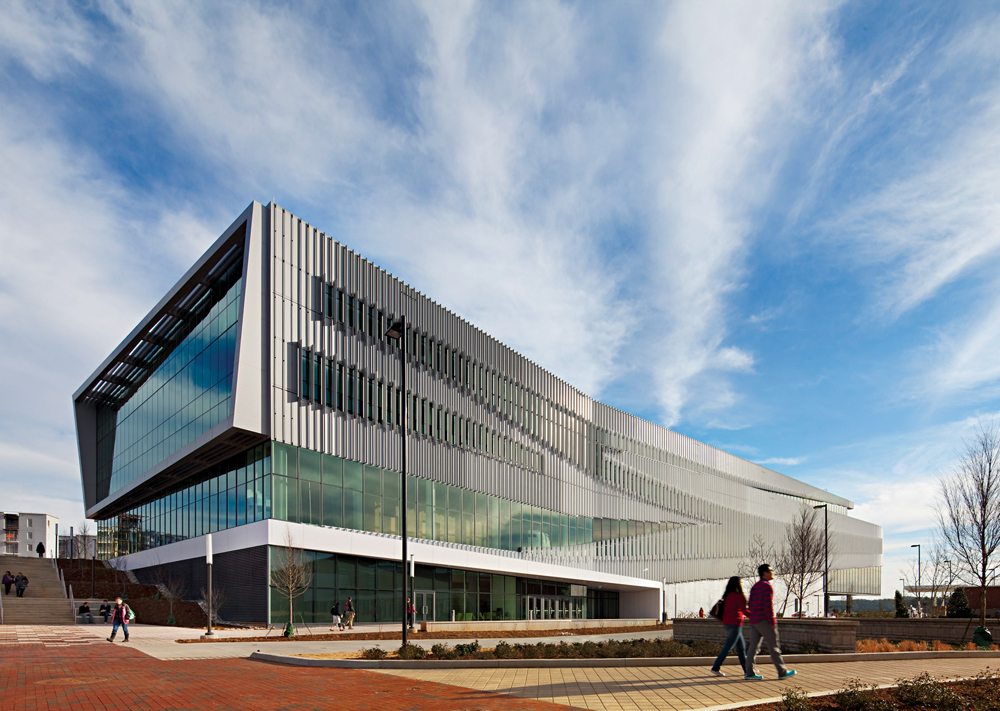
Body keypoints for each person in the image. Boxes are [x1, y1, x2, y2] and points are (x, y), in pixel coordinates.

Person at [745, 564, 795, 681]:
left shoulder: (755, 587)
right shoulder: (767, 586)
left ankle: (749, 673)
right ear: (765, 573)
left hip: (754, 621)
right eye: (771, 570)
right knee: (774, 647)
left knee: (753, 648)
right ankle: (782, 672)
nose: (773, 572)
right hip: (764, 621)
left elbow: (751, 605)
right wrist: (771, 620)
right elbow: (768, 606)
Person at [710, 576, 749, 677]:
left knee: (741, 647)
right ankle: (715, 667)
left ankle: (747, 670)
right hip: (736, 623)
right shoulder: (739, 595)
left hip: (727, 623)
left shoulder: (728, 596)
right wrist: (756, 616)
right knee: (728, 647)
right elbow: (744, 611)